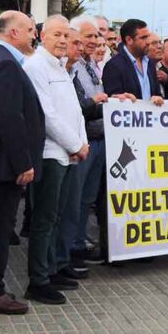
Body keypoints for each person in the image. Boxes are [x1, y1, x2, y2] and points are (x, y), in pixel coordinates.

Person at [23, 15, 89, 304]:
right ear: (42, 36)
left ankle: (51, 270)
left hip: (69, 154)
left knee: (57, 216)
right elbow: (46, 115)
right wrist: (75, 144)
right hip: (51, 154)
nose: (63, 40)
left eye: (66, 35)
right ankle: (38, 281)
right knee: (44, 220)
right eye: (57, 35)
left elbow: (74, 110)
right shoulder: (36, 66)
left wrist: (81, 143)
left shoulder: (60, 66)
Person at [0, 11, 44, 315]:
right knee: (1, 230)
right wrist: (23, 163)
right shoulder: (7, 64)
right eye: (29, 30)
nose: (34, 35)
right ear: (13, 32)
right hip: (5, 167)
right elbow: (9, 117)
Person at [68, 17, 110, 270]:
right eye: (89, 36)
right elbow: (78, 107)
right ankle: (71, 247)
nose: (95, 41)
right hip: (82, 143)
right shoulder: (72, 68)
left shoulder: (90, 65)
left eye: (96, 36)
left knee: (86, 198)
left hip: (98, 140)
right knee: (74, 198)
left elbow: (97, 100)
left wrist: (114, 101)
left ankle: (79, 241)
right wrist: (96, 102)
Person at [102, 19, 164, 103]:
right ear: (129, 40)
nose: (148, 42)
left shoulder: (149, 63)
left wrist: (159, 99)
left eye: (148, 37)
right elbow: (113, 101)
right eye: (143, 38)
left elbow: (157, 93)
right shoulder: (114, 66)